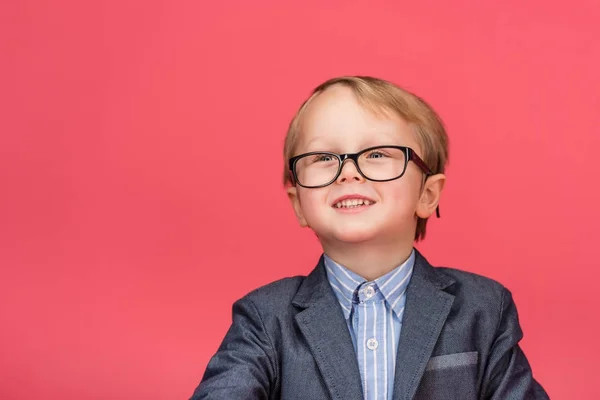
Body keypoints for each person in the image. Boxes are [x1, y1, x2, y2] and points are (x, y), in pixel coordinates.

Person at [190, 76, 549, 399]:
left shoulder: (484, 309)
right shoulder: (264, 317)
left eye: (377, 153)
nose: (348, 172)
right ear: (299, 203)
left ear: (427, 194)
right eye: (323, 157)